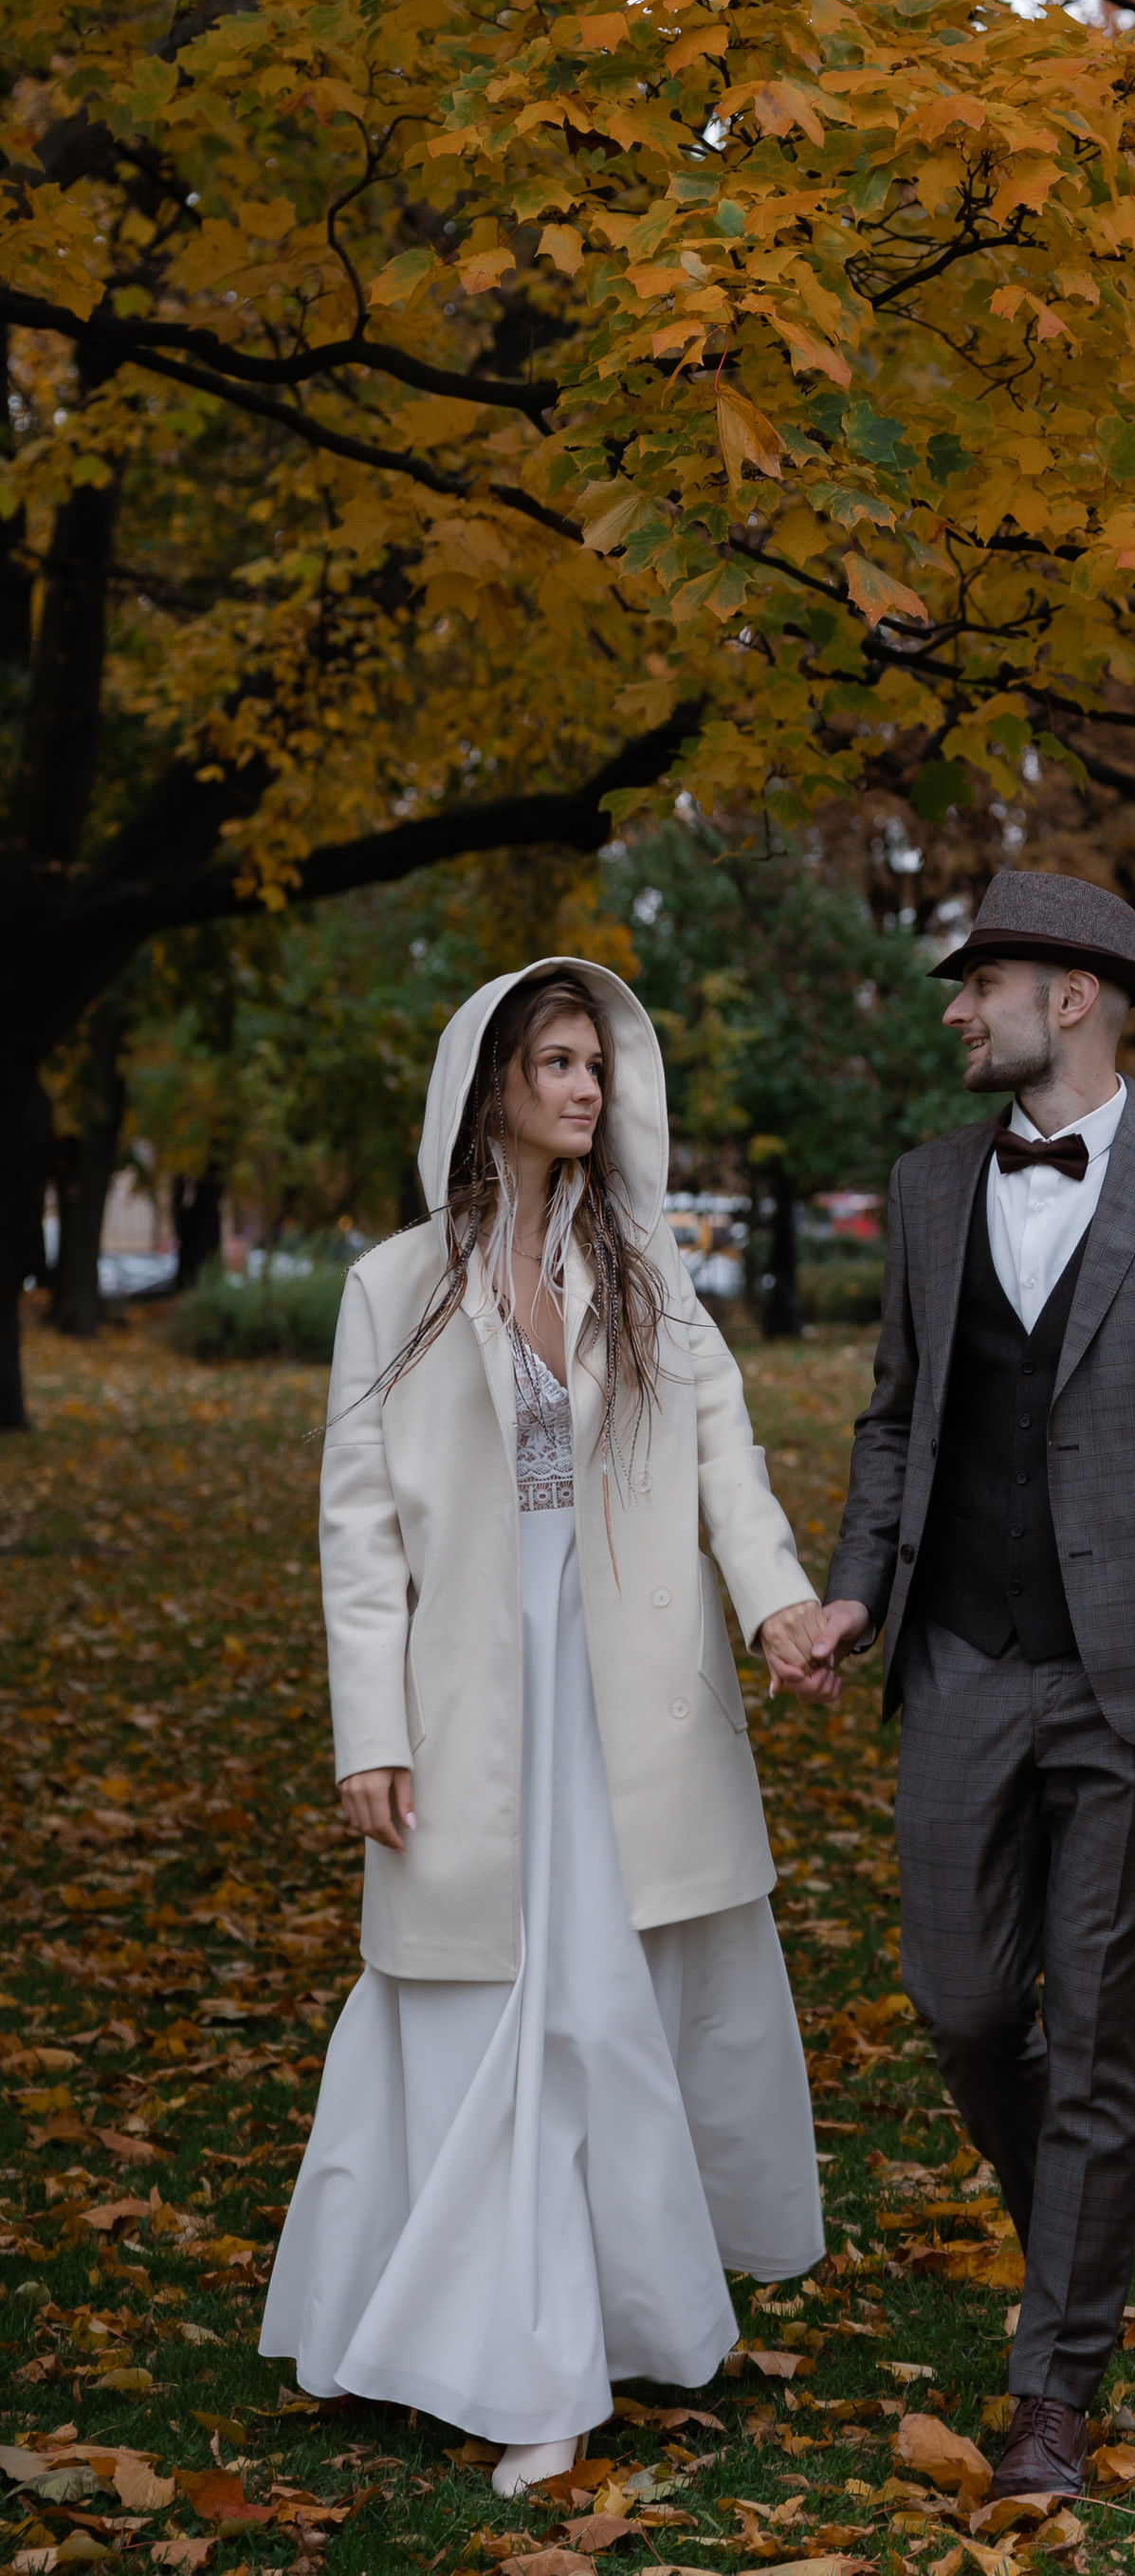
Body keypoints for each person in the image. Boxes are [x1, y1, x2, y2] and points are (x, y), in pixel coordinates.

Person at [788, 871, 1135, 2509]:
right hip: (957, 1656)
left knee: (1099, 2031)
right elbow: (897, 1417)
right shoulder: (933, 1183)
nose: (958, 1009)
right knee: (961, 2008)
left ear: (1073, 996)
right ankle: (1085, 2238)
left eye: (983, 983)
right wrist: (858, 1584)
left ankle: (1054, 2389)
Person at [262, 960, 828, 2490]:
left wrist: (775, 1599)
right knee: (465, 2004)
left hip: (618, 1677)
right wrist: (364, 1728)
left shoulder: (641, 1266)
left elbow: (721, 1443)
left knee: (593, 2004)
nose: (586, 1088)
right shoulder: (393, 1284)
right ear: (492, 1082)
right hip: (464, 1686)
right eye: (558, 1063)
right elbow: (357, 1527)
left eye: (595, 1065)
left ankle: (563, 2360)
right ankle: (501, 2350)